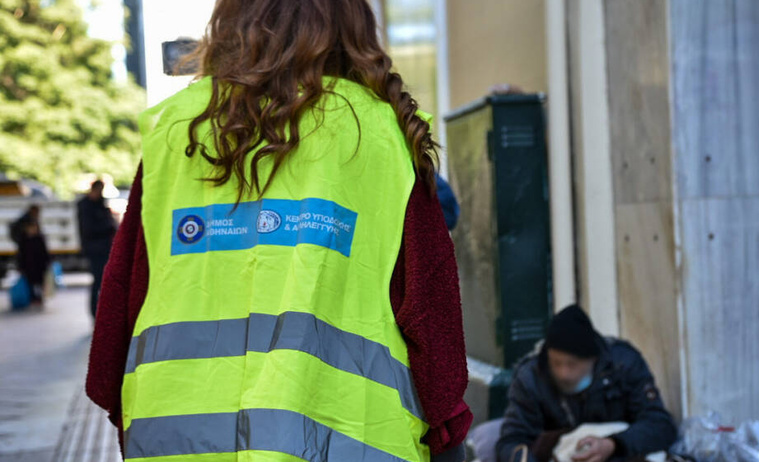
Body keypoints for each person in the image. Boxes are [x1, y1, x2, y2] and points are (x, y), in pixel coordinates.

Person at [85, 1, 472, 461]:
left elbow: (113, 333)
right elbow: (436, 336)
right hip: (352, 441)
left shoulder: (177, 133)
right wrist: (448, 435)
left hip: (177, 443)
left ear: (232, 25)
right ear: (351, 28)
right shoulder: (382, 138)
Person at [495, 305, 677, 462]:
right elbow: (511, 440)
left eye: (572, 364)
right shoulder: (531, 378)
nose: (564, 373)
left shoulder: (623, 365)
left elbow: (660, 425)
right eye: (556, 363)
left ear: (593, 360)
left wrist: (613, 444)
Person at [77, 180, 116, 318]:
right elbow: (88, 229)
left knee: (105, 281)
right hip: (95, 249)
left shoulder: (100, 204)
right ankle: (96, 313)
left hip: (103, 248)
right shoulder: (86, 206)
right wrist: (107, 228)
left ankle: (102, 312)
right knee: (98, 281)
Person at [16, 218, 49, 307]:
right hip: (28, 266)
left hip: (39, 266)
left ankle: (39, 298)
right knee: (30, 283)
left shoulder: (40, 238)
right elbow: (20, 254)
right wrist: (20, 266)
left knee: (39, 283)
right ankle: (32, 298)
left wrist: (47, 263)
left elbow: (44, 252)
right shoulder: (23, 239)